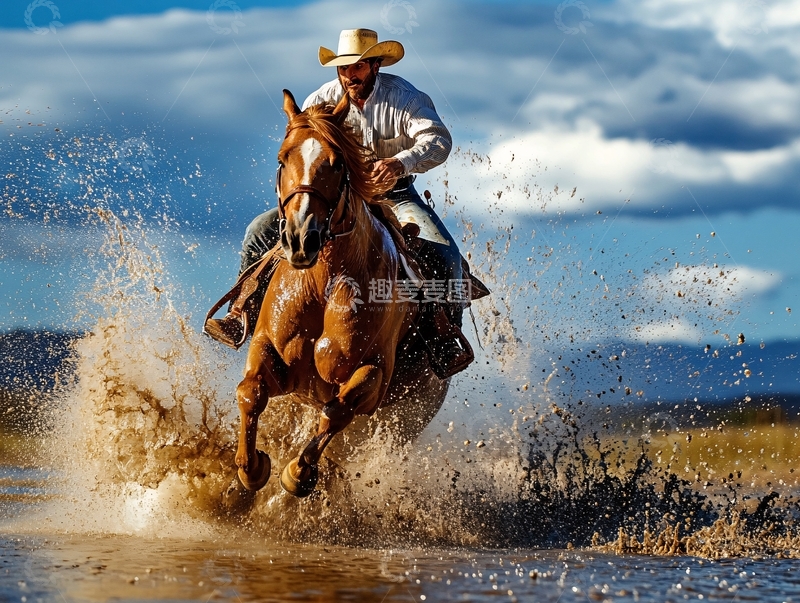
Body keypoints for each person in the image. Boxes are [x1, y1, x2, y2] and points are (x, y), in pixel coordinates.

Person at [205, 28, 473, 378]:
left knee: (445, 254)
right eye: (344, 68)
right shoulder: (323, 100)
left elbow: (438, 140)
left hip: (393, 195)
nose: (350, 75)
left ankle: (443, 335)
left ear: (376, 65)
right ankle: (242, 312)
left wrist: (399, 163)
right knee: (259, 231)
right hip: (335, 199)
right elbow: (303, 147)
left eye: (358, 66)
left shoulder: (405, 98)